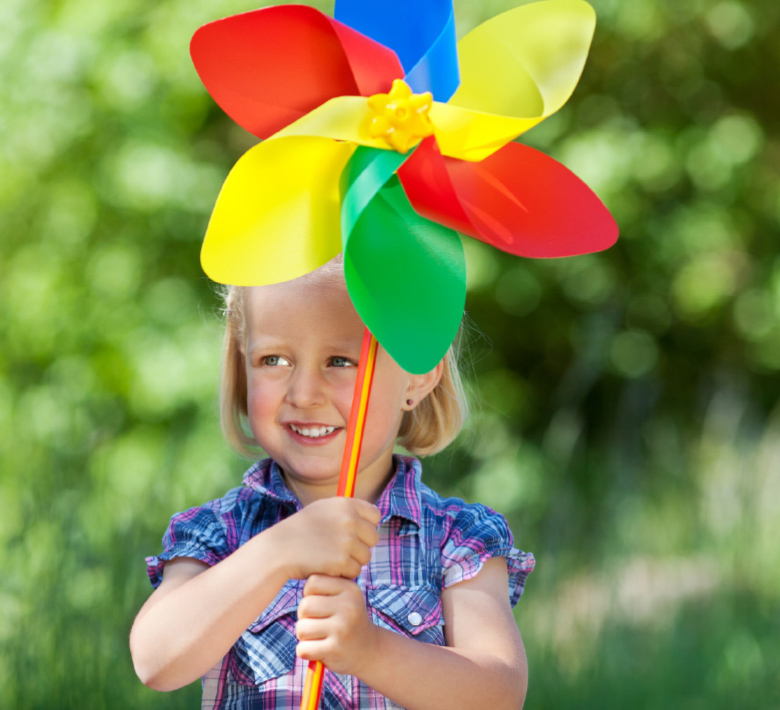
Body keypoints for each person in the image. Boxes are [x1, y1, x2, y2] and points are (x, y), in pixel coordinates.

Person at [130, 259, 535, 709]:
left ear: (417, 375)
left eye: (340, 361)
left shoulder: (457, 539)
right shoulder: (220, 531)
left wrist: (371, 650)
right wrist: (277, 552)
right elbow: (156, 661)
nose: (303, 393)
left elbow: (499, 696)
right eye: (274, 360)